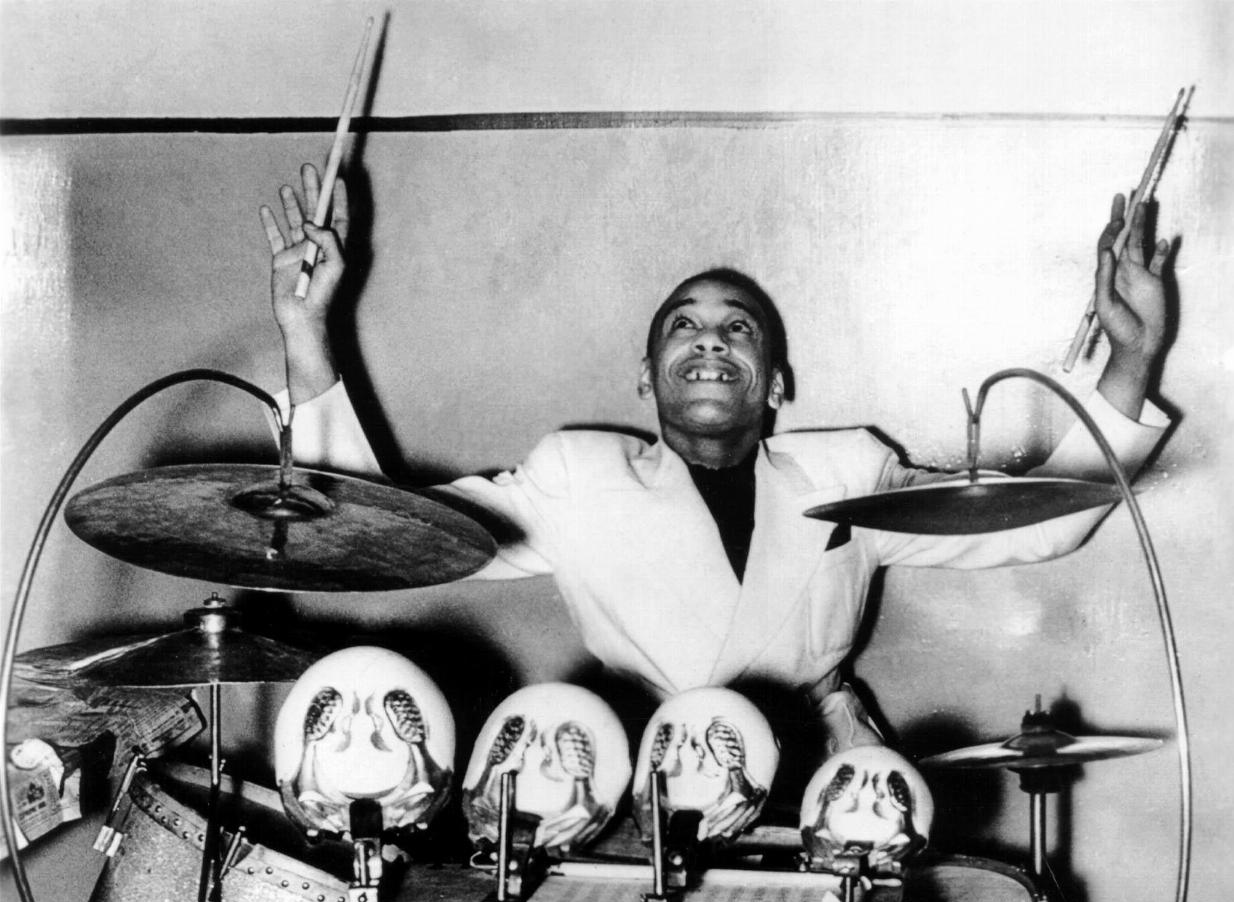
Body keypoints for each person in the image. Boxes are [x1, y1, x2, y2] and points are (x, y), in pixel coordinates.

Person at [259, 166, 1172, 776]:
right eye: (683, 326)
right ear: (645, 376)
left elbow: (1036, 522)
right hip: (640, 787)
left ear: (774, 383)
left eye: (738, 329)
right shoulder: (577, 476)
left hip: (827, 786)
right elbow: (385, 538)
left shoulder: (848, 469)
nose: (709, 339)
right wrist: (308, 333)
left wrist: (1132, 357)